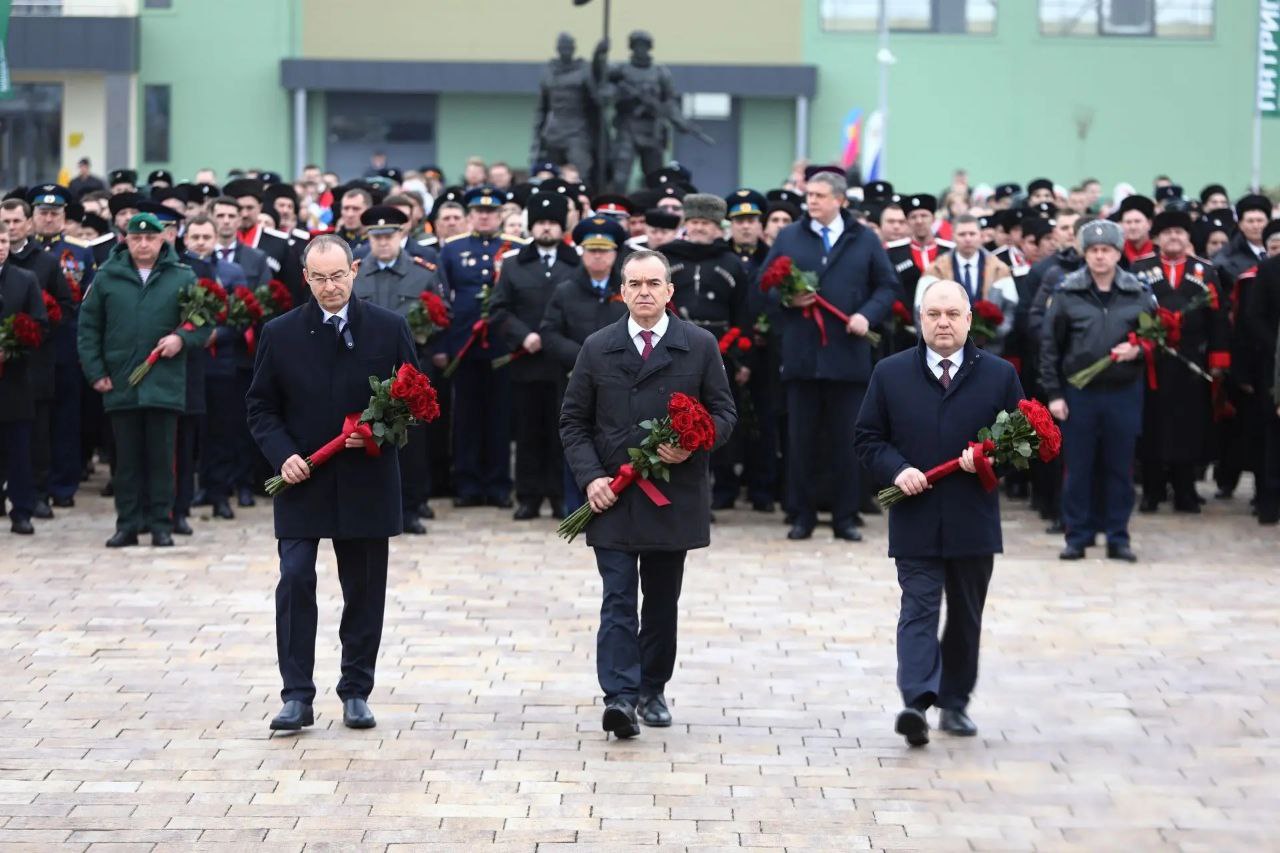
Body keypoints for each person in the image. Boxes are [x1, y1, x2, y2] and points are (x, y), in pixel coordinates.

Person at [559, 248, 736, 738]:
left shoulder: (698, 345)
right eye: (634, 284)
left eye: (653, 284)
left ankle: (652, 688)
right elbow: (573, 421)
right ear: (622, 290)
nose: (643, 293)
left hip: (671, 493)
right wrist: (592, 477)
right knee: (617, 596)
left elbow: (724, 413)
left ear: (669, 291)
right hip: (613, 494)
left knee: (661, 598)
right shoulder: (598, 346)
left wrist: (695, 443)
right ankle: (619, 695)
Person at [246, 234, 419, 732]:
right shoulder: (280, 333)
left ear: (355, 270)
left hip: (367, 477)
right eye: (319, 278)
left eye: (338, 276)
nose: (329, 286)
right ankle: (296, 695)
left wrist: (376, 435)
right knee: (296, 576)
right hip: (303, 477)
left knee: (363, 587)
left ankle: (355, 689)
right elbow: (260, 406)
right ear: (305, 277)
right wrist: (284, 456)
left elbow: (415, 401)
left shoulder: (388, 328)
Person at [855, 279, 1023, 746]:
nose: (943, 322)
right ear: (919, 319)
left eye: (953, 314)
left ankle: (954, 702)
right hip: (915, 512)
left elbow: (1022, 444)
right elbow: (868, 438)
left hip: (973, 516)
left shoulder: (998, 375)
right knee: (918, 608)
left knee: (966, 615)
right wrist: (898, 469)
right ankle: (915, 701)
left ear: (970, 320)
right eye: (934, 314)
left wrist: (989, 461)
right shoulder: (890, 372)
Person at [763, 166, 900, 541]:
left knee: (847, 440)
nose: (811, 202)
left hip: (848, 356)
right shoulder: (790, 236)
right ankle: (802, 515)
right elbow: (764, 286)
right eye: (808, 196)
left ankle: (845, 516)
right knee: (801, 441)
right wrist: (788, 298)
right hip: (802, 357)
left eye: (818, 196)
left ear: (839, 200)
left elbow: (887, 286)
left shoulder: (864, 239)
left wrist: (866, 315)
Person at [76, 213, 206, 548]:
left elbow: (203, 321)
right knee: (127, 460)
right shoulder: (107, 277)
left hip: (164, 381)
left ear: (164, 239)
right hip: (122, 381)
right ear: (126, 240)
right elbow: (89, 329)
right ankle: (128, 523)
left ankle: (161, 523)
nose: (144, 244)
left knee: (162, 459)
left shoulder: (182, 276)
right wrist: (96, 372)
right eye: (137, 238)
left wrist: (182, 338)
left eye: (150, 238)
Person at [1039, 220, 1155, 562]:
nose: (1100, 257)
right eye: (1094, 251)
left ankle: (1118, 536)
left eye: (1107, 250)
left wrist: (1140, 350)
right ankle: (1078, 534)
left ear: (1118, 253)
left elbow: (1154, 337)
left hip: (1123, 392)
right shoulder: (1067, 292)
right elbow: (1050, 347)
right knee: (1078, 467)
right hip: (1080, 394)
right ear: (1084, 254)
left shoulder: (1138, 292)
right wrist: (1055, 395)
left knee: (1120, 467)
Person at [351, 205, 446, 534]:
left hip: (408, 369)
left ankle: (410, 508)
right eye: (376, 237)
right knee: (364, 439)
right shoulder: (356, 273)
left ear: (402, 235)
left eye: (389, 235)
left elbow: (441, 317)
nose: (383, 242)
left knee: (411, 444)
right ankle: (367, 507)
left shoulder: (424, 273)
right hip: (362, 370)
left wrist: (423, 331)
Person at [1129, 209, 1230, 513]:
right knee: (1153, 427)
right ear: (1157, 237)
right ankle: (1152, 490)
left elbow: (1219, 321)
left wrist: (1218, 361)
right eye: (1167, 232)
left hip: (1191, 364)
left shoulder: (1206, 272)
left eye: (1180, 232)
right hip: (1153, 362)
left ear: (1188, 238)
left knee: (1189, 428)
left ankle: (1186, 490)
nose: (1174, 237)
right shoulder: (1139, 269)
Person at [488, 194, 579, 520]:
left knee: (562, 431)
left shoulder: (577, 261)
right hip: (525, 361)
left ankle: (558, 494)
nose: (546, 228)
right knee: (528, 431)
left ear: (561, 227)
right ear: (531, 226)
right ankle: (528, 495)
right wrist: (522, 335)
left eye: (552, 223)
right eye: (541, 223)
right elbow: (498, 310)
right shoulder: (513, 263)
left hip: (564, 364)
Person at [435, 186, 526, 508]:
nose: (485, 216)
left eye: (491, 212)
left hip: (505, 345)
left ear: (501, 215)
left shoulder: (517, 248)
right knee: (466, 418)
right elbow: (442, 298)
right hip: (464, 343)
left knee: (501, 417)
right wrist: (444, 342)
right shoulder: (452, 249)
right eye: (479, 211)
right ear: (470, 215)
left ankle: (499, 485)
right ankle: (467, 483)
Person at [661, 194, 751, 509]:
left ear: (717, 227)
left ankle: (718, 492)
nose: (699, 228)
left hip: (720, 351)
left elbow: (744, 314)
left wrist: (741, 359)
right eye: (695, 222)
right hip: (673, 347)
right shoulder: (665, 258)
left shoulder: (733, 264)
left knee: (716, 418)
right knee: (673, 416)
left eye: (706, 223)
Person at [541, 216, 631, 515]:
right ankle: (574, 504)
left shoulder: (629, 290)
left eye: (604, 250)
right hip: (575, 380)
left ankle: (616, 502)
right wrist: (584, 358)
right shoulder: (566, 289)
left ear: (615, 253)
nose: (598, 256)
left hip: (622, 383)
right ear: (581, 251)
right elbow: (549, 333)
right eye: (591, 249)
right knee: (576, 438)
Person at [0, 224, 50, 535]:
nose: (0, 245)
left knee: (19, 448)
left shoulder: (24, 279)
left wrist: (12, 346)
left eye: (3, 240)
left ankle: (22, 510)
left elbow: (40, 325)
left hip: (13, 379)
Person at [917, 215, 1017, 352]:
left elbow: (1010, 309)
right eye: (962, 234)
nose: (968, 238)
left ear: (981, 236)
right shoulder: (936, 269)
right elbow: (920, 309)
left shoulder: (1000, 269)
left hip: (989, 347)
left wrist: (993, 334)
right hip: (947, 348)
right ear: (953, 236)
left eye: (972, 234)